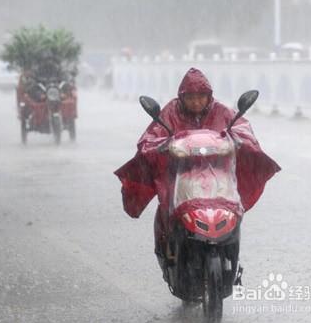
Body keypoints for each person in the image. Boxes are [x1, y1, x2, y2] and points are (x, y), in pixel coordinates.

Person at [114, 67, 281, 262]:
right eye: (191, 97)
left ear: (208, 96)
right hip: (179, 174)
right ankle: (167, 245)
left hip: (218, 174)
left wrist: (239, 140)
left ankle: (231, 247)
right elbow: (151, 137)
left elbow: (241, 128)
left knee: (233, 205)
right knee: (167, 202)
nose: (196, 102)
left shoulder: (222, 111)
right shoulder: (170, 112)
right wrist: (160, 145)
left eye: (201, 97)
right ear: (182, 97)